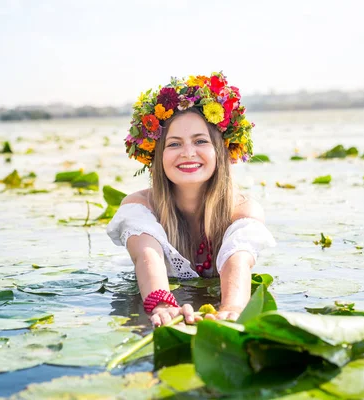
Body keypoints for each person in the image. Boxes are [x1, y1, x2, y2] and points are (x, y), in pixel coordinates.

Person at [107, 72, 276, 326]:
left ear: (220, 151)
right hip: (151, 294)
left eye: (200, 141)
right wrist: (162, 304)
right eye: (174, 144)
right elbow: (147, 256)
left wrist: (231, 308)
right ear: (157, 156)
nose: (188, 153)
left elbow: (237, 261)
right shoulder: (140, 207)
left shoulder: (242, 210)